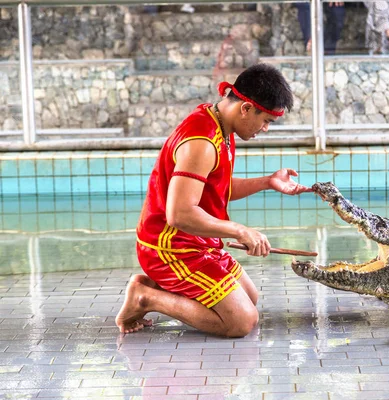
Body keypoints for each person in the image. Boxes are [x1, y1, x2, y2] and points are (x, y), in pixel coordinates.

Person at [116, 64, 312, 337]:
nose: (265, 128)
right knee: (241, 322)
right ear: (245, 109)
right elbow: (179, 214)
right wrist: (240, 230)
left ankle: (153, 285)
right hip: (171, 248)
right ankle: (145, 297)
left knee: (249, 298)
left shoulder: (220, 124)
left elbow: (214, 189)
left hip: (197, 241)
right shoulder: (202, 141)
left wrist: (267, 182)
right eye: (266, 120)